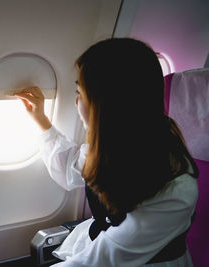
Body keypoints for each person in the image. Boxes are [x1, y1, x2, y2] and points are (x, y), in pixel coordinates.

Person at [14, 38, 199, 266]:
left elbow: (105, 259)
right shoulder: (117, 143)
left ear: (107, 104)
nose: (76, 101)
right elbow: (72, 170)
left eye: (81, 93)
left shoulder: (175, 189)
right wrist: (41, 120)